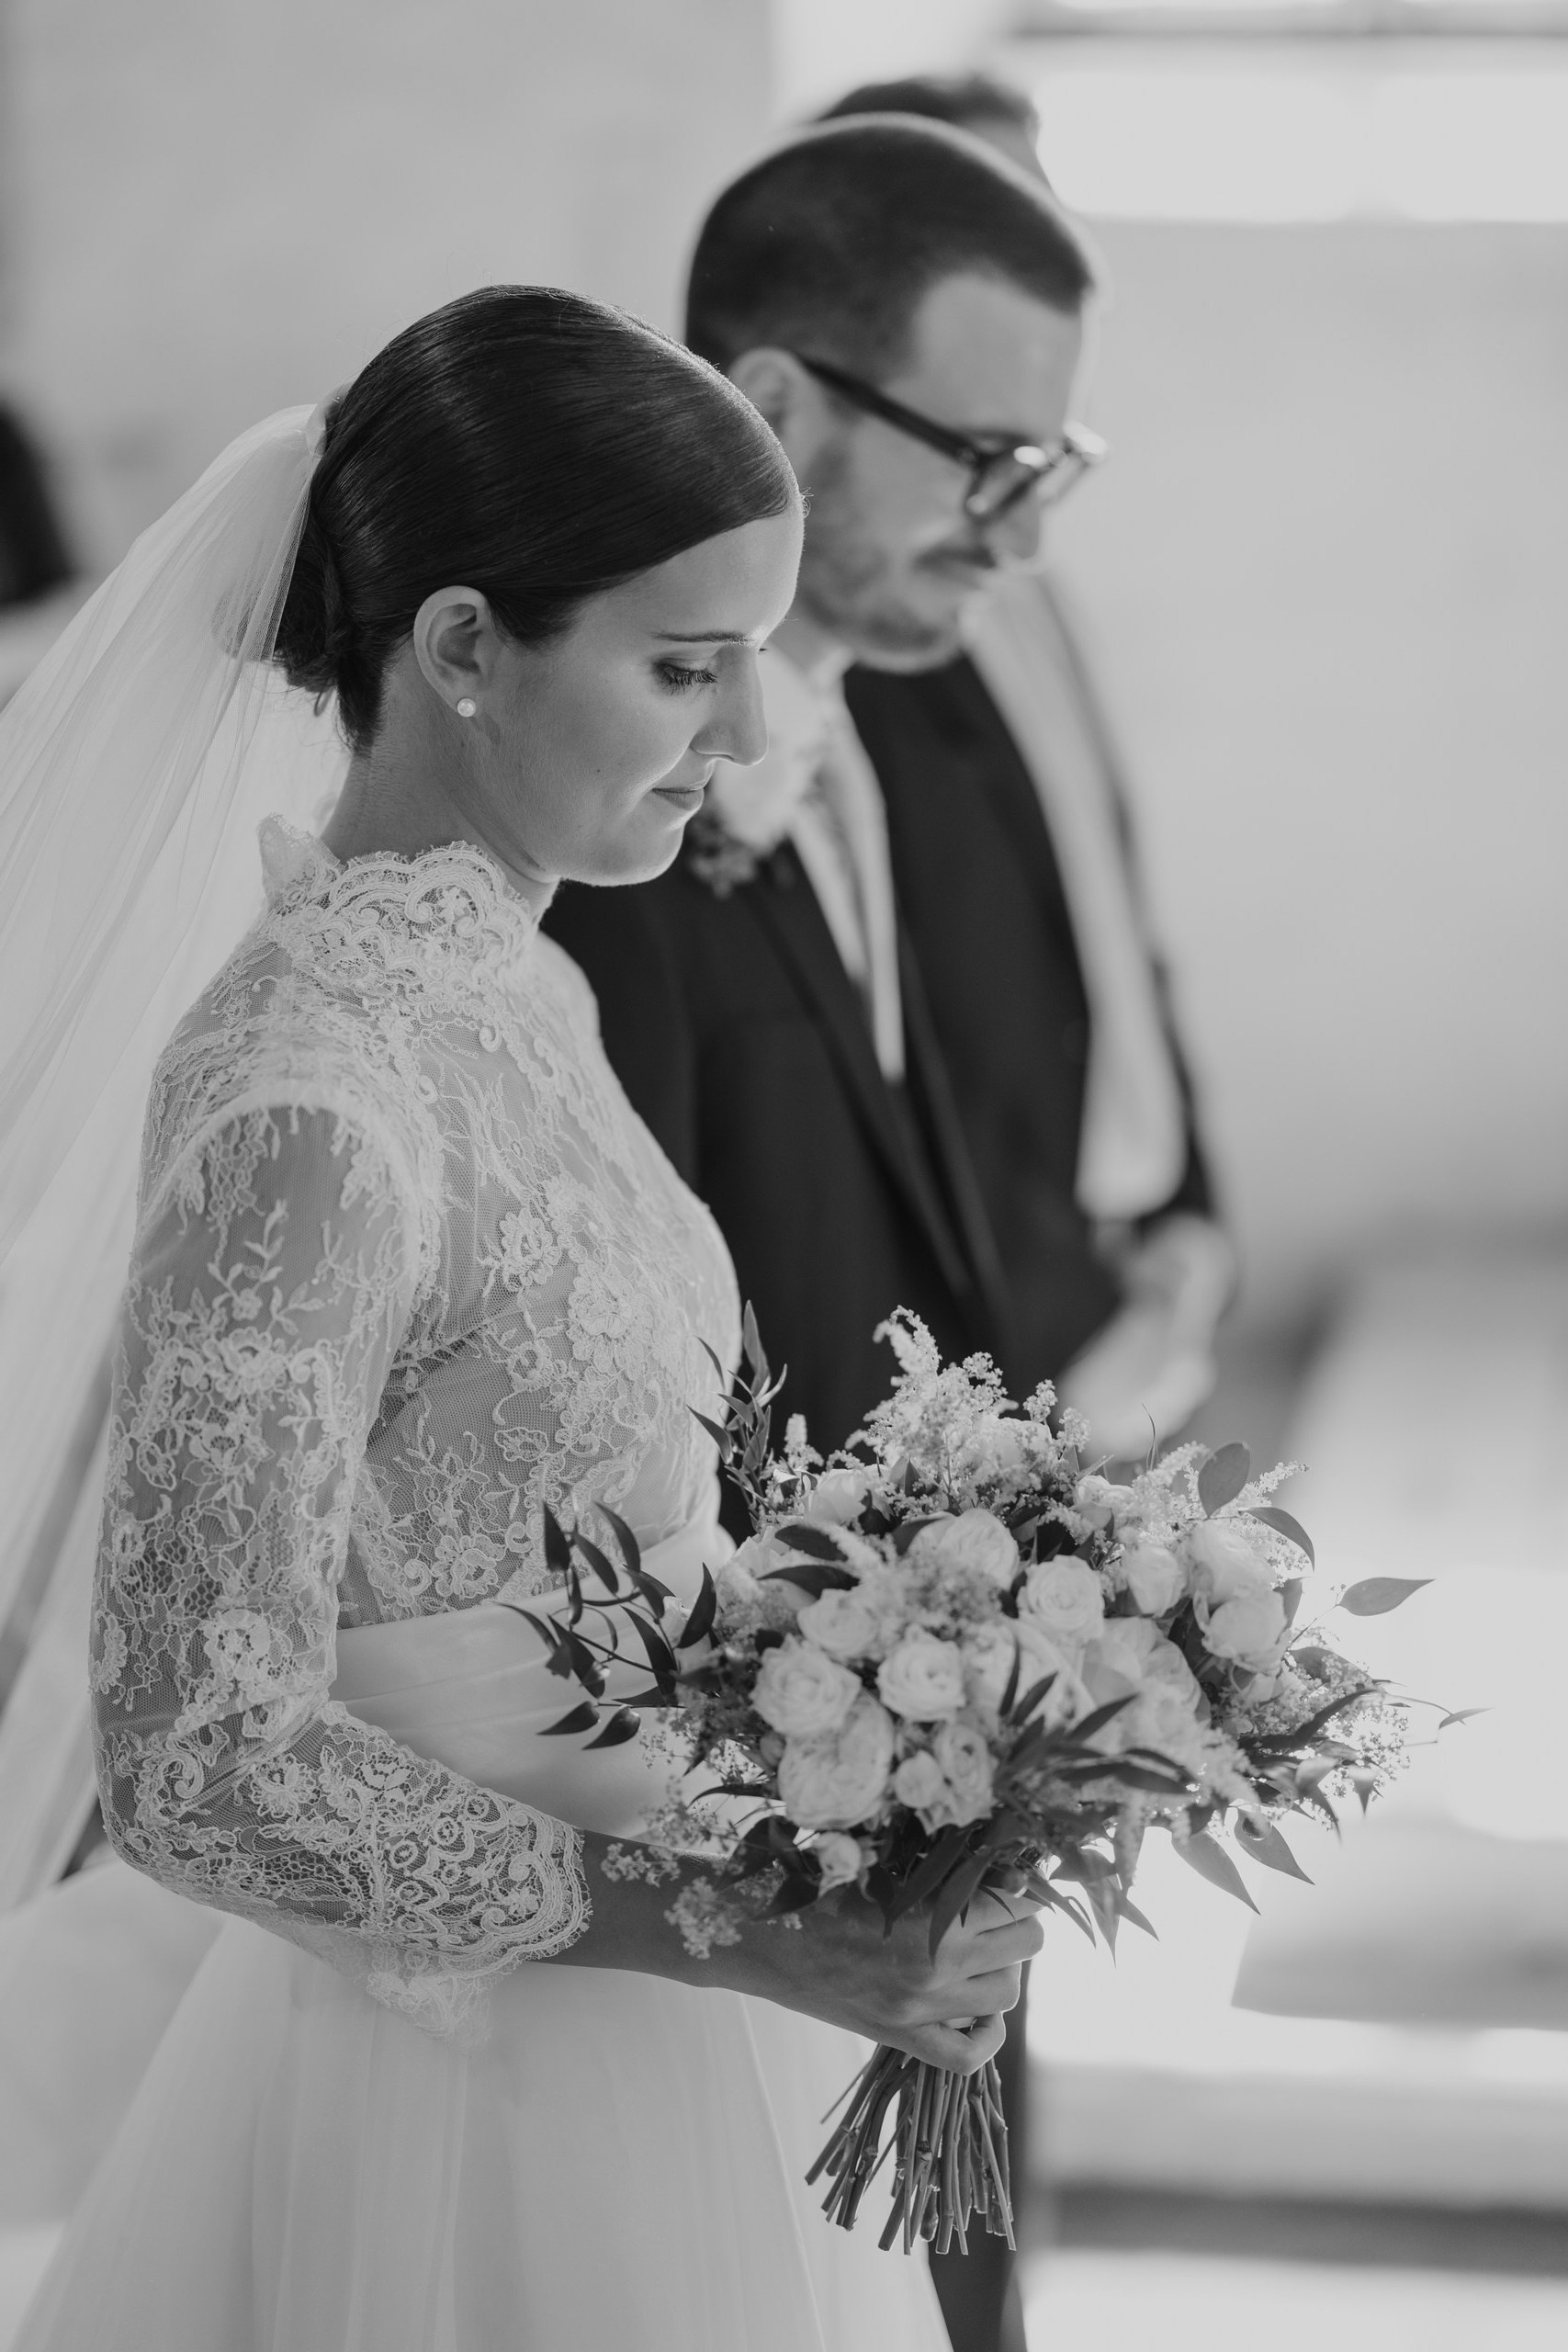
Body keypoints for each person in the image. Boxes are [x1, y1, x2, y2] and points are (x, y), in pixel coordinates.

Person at [0, 285, 1043, 2352]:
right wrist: (745, 1930)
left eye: (748, 665)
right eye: (682, 670)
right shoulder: (310, 1090)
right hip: (446, 2111)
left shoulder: (509, 986)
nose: (747, 741)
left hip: (665, 2037)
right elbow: (202, 1753)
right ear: (465, 647)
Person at [542, 115, 1224, 2352]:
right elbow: (592, 1349)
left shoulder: (859, 726)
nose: (1015, 535)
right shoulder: (604, 823)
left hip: (907, 1735)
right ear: (783, 403)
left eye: (1054, 468)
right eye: (983, 461)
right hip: (731, 1791)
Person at [813, 75, 1235, 1468]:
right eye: (992, 221)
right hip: (994, 1344)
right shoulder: (849, 617)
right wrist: (1023, 1344)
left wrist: (1190, 1208)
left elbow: (1103, 910)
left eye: (1042, 207)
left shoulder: (1030, 575)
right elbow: (901, 1025)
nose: (1047, 247)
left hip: (1125, 1275)